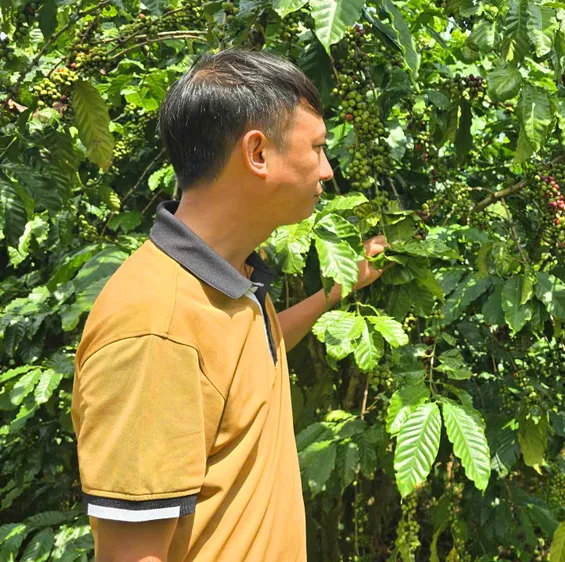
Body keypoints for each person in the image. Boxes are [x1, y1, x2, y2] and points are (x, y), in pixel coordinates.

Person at [71, 50, 387, 562]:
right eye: (317, 148)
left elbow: (249, 357)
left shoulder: (229, 279)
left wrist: (342, 287)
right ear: (257, 152)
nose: (328, 171)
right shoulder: (156, 328)